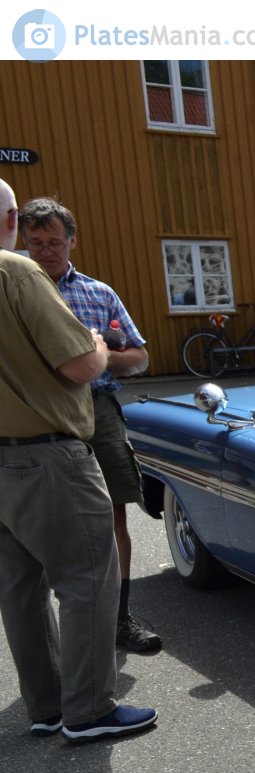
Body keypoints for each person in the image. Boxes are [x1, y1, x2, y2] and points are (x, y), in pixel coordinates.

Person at [0, 178, 157, 742]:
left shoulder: (94, 288)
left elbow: (138, 355)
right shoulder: (17, 275)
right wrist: (95, 344)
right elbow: (81, 366)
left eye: (54, 241)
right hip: (48, 443)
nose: (43, 250)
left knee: (20, 583)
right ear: (14, 224)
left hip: (29, 446)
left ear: (71, 241)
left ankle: (46, 706)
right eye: (34, 239)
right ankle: (87, 711)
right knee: (86, 573)